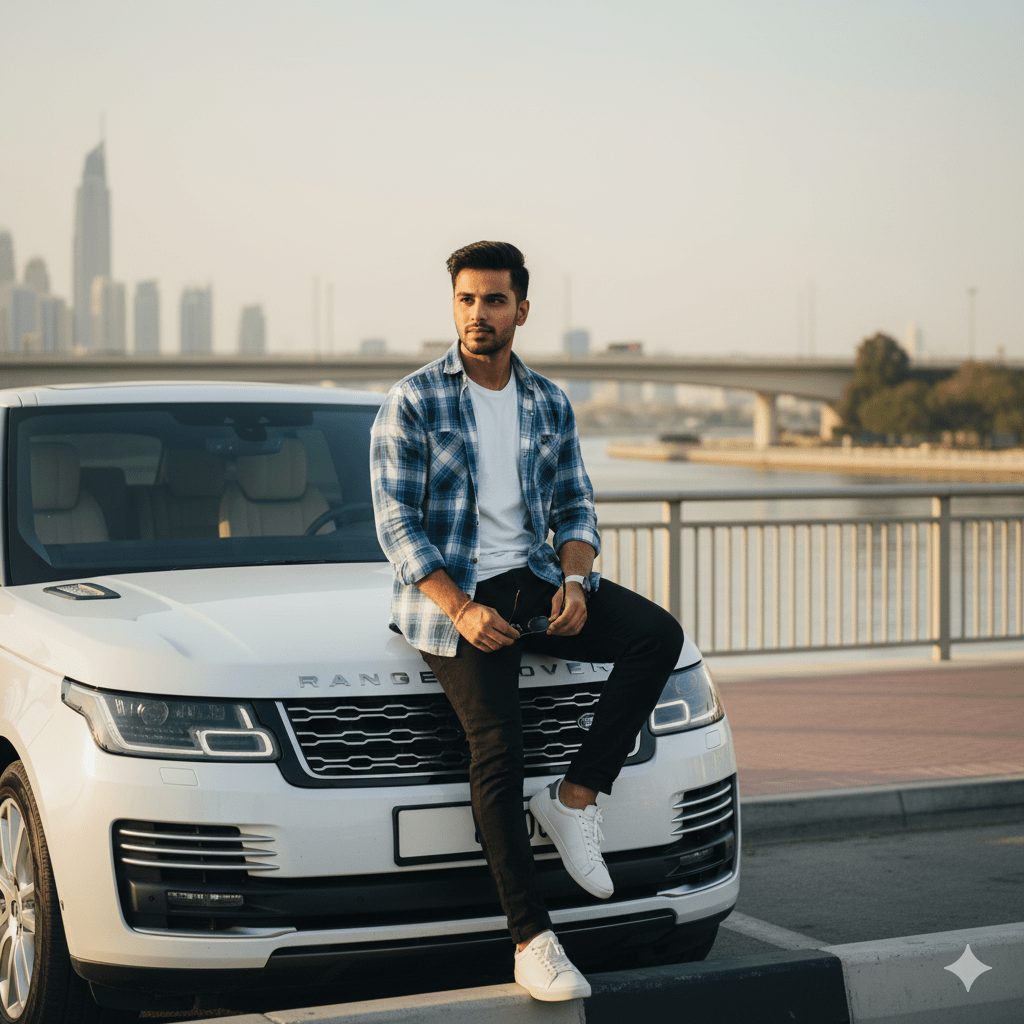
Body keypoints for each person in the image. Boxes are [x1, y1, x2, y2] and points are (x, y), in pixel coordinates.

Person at [370, 241, 683, 1001]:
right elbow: (397, 525)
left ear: (522, 310)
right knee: (498, 750)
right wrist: (463, 608)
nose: (480, 314)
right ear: (454, 307)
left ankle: (576, 797)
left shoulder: (547, 401)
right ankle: (531, 939)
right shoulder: (414, 400)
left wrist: (576, 581)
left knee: (658, 636)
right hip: (456, 597)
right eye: (467, 300)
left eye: (495, 300)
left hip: (535, 578)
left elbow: (575, 506)